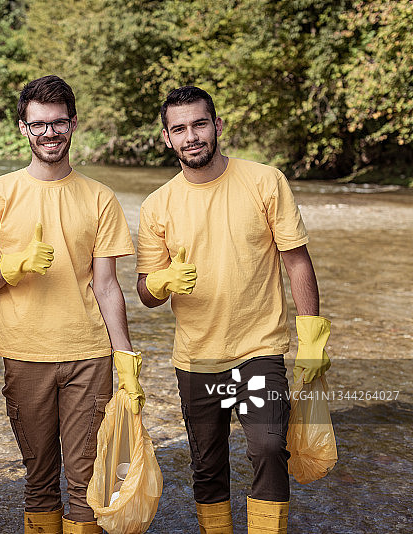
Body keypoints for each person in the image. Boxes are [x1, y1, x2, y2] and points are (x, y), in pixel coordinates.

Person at [136, 86, 332, 534]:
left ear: (217, 126)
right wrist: (162, 281)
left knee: (268, 447)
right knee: (207, 465)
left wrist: (312, 338)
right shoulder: (156, 206)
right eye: (179, 129)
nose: (191, 137)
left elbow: (297, 261)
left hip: (258, 349)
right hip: (196, 356)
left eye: (199, 124)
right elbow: (146, 292)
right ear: (166, 138)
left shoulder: (265, 181)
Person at [0, 75, 142, 534]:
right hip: (25, 354)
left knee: (88, 481)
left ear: (73, 124)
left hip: (89, 354)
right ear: (23, 128)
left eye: (58, 123)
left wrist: (124, 355)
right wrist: (14, 266)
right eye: (39, 124)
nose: (49, 133)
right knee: (39, 478)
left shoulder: (100, 197)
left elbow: (107, 285)